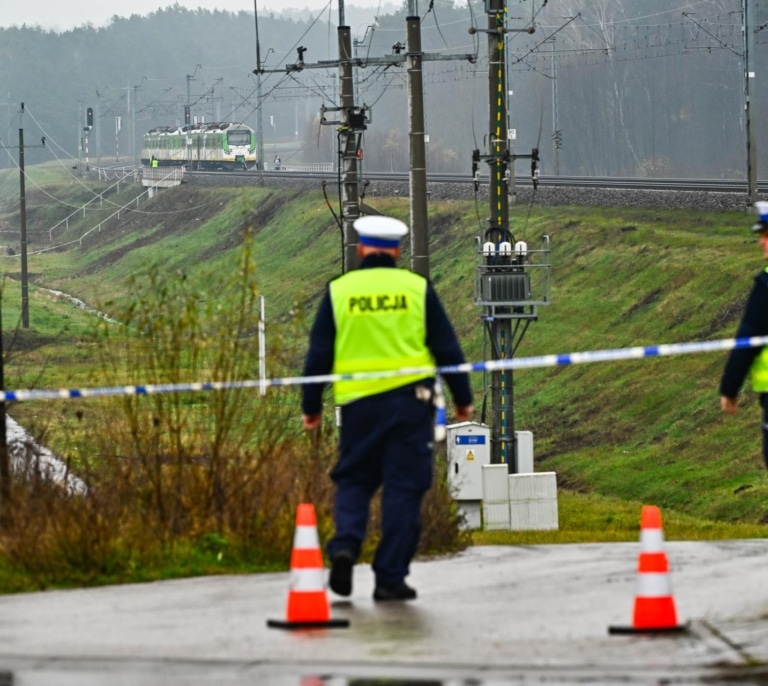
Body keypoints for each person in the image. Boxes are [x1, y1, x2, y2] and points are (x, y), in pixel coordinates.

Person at [301, 215, 474, 602]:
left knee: (355, 479)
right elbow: (446, 347)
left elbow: (319, 355)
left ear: (362, 248)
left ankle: (345, 545)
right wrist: (462, 398)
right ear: (396, 250)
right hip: (409, 408)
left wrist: (311, 405)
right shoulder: (416, 289)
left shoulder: (339, 291)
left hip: (358, 407)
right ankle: (390, 577)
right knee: (403, 487)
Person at [720, 200, 768, 468]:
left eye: (766, 236)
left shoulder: (766, 286)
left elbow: (747, 341)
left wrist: (729, 389)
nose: (761, 242)